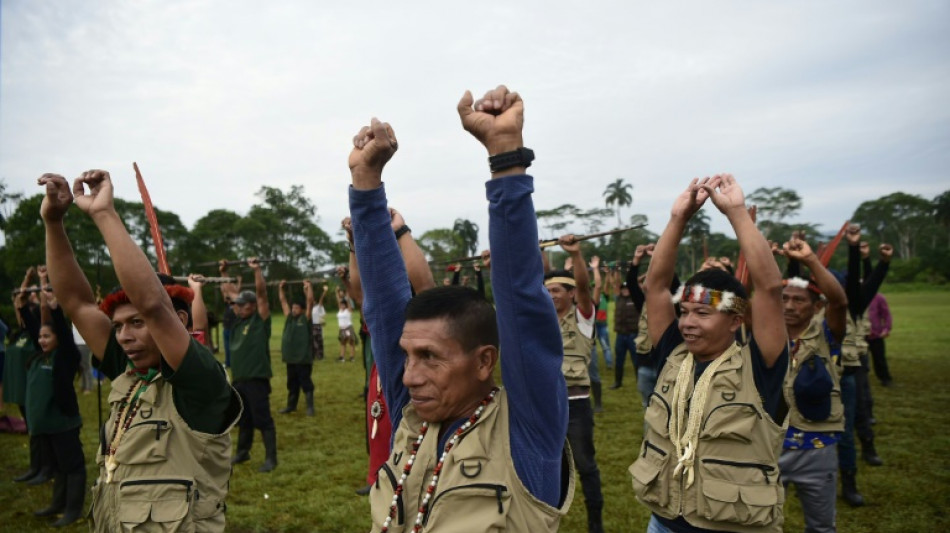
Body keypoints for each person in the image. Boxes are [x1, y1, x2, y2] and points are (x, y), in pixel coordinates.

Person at [352, 85, 574, 531]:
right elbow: (383, 309)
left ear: (484, 361)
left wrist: (505, 156)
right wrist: (366, 183)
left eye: (430, 357)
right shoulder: (411, 417)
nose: (408, 376)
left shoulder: (525, 431)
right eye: (409, 355)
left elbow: (522, 300)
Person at [40, 171, 242, 532]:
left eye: (136, 323)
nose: (123, 337)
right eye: (117, 326)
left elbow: (153, 305)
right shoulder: (129, 371)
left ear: (179, 320)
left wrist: (104, 214)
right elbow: (76, 302)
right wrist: (53, 223)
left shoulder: (200, 381)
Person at [632, 175, 788, 533]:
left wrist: (736, 213)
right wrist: (677, 219)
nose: (687, 322)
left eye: (702, 314)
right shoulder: (673, 354)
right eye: (684, 311)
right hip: (665, 523)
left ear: (735, 321)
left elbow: (769, 288)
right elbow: (656, 287)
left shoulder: (758, 365)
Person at [779, 236, 848, 533]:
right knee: (756, 523)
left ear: (815, 305)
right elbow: (738, 301)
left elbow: (840, 301)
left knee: (821, 527)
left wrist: (811, 261)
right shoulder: (763, 335)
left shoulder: (826, 336)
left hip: (817, 450)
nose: (790, 305)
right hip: (769, 446)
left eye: (799, 299)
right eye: (784, 298)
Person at [545, 239, 605, 533]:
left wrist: (577, 255)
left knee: (584, 464)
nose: (551, 294)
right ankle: (549, 516)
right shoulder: (543, 320)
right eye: (548, 290)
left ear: (570, 294)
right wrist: (539, 252)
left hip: (576, 403)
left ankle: (595, 521)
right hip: (546, 405)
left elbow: (584, 287)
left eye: (556, 290)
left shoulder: (583, 318)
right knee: (551, 464)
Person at [21, 266, 85, 527]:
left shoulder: (65, 356)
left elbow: (65, 335)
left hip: (63, 423)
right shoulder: (40, 356)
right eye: (40, 337)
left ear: (59, 338)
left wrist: (56, 309)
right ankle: (57, 503)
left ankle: (73, 509)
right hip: (46, 425)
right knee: (58, 466)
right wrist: (24, 306)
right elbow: (31, 326)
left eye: (48, 336)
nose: (43, 340)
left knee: (72, 466)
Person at [221, 258, 278, 473]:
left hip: (256, 380)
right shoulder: (238, 322)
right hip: (239, 380)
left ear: (252, 306)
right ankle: (243, 452)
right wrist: (224, 274)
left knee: (262, 419)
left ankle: (271, 457)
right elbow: (228, 294)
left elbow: (262, 295)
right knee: (243, 418)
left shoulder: (259, 321)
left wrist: (257, 270)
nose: (237, 308)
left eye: (241, 305)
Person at [278, 280, 315, 416]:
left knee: (305, 382)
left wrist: (309, 287)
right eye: (293, 308)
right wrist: (281, 289)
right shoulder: (289, 318)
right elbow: (283, 302)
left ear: (303, 310)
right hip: (290, 359)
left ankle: (310, 407)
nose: (293, 310)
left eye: (296, 308)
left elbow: (310, 301)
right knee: (292, 383)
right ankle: (291, 406)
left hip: (303, 359)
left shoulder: (306, 318)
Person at [590, 256, 614, 373]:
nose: (595, 288)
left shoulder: (604, 295)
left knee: (606, 347)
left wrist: (607, 274)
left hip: (602, 325)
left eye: (595, 286)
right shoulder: (591, 299)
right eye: (593, 286)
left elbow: (606, 285)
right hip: (593, 325)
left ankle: (609, 363)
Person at [867, 293, 892, 386]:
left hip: (876, 335)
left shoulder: (878, 298)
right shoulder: (854, 296)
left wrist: (886, 328)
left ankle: (885, 379)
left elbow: (886, 314)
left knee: (879, 358)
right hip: (859, 335)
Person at [336, 292, 358, 362]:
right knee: (343, 343)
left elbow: (348, 303)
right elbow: (338, 300)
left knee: (351, 342)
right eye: (341, 304)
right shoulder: (340, 310)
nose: (342, 305)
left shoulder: (348, 310)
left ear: (345, 305)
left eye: (343, 304)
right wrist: (336, 292)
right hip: (342, 329)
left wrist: (347, 298)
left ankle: (352, 357)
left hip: (348, 328)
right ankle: (342, 357)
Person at [311, 283, 328, 361]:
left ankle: (320, 356)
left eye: (313, 301)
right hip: (312, 325)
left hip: (318, 326)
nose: (312, 302)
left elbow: (321, 299)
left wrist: (325, 291)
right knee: (313, 341)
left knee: (319, 341)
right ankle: (314, 355)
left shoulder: (318, 307)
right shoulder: (311, 309)